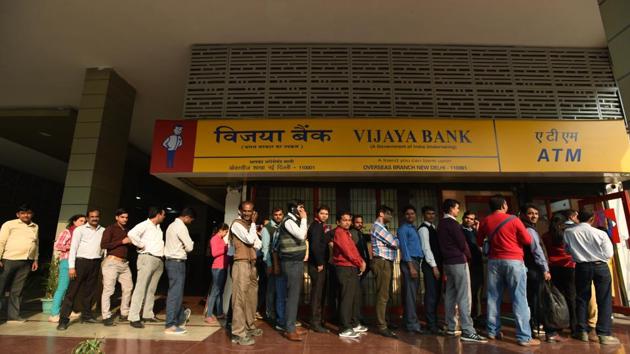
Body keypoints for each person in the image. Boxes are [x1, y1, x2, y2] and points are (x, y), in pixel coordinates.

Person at [477, 195, 539, 346]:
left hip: (493, 262)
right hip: (514, 261)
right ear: (504, 205)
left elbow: (479, 241)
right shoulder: (513, 219)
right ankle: (524, 337)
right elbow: (527, 240)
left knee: (493, 297)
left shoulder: (485, 221)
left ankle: (492, 331)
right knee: (519, 298)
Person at [564, 210, 620, 345]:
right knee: (604, 299)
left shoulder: (568, 232)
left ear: (578, 218)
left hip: (581, 267)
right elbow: (608, 253)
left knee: (582, 298)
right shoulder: (600, 233)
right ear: (592, 219)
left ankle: (582, 331)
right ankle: (604, 334)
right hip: (600, 266)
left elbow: (567, 250)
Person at [438, 199, 487, 343]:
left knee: (451, 295)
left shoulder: (440, 224)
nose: (458, 211)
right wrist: (469, 256)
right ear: (451, 209)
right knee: (465, 296)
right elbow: (462, 243)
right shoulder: (453, 224)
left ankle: (451, 326)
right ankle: (468, 330)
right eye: (457, 208)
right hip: (459, 262)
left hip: (447, 263)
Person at [57, 209, 104, 330]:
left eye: (96, 216)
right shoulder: (80, 230)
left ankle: (86, 316)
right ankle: (63, 320)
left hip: (95, 263)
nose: (94, 218)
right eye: (92, 216)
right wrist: (72, 267)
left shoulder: (103, 230)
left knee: (89, 292)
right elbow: (73, 248)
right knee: (71, 292)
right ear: (88, 218)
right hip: (80, 263)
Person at [230, 201, 263, 346]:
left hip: (252, 264)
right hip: (241, 263)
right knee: (240, 299)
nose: (247, 213)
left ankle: (249, 326)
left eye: (250, 211)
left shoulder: (250, 226)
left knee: (251, 298)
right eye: (245, 211)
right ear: (240, 211)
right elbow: (250, 239)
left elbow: (258, 244)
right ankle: (237, 333)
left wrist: (253, 231)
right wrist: (254, 226)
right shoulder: (236, 224)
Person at [127, 206, 166, 329]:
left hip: (158, 259)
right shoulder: (144, 224)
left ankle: (148, 314)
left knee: (151, 289)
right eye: (163, 214)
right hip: (147, 257)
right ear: (158, 214)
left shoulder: (158, 228)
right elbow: (131, 234)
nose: (164, 217)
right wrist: (141, 245)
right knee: (141, 287)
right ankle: (134, 316)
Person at [275, 201, 309, 341]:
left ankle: (291, 326)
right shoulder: (288, 221)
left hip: (296, 262)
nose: (303, 210)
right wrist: (305, 218)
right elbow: (302, 235)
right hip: (291, 262)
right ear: (294, 209)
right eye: (301, 207)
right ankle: (289, 329)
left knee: (294, 295)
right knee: (292, 296)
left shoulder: (295, 221)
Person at [0, 204, 40, 323]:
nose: (26, 215)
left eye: (28, 213)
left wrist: (35, 259)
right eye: (22, 213)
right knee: (1, 287)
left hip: (26, 261)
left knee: (18, 290)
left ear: (31, 214)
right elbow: (1, 241)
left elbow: (36, 244)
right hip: (9, 259)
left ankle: (13, 316)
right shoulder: (9, 224)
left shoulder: (35, 226)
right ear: (18, 215)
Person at [333, 211, 367, 338]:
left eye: (349, 220)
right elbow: (348, 251)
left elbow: (353, 250)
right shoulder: (339, 233)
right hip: (344, 268)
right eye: (344, 220)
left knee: (352, 297)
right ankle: (345, 327)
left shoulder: (347, 233)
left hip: (351, 267)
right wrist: (360, 262)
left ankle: (352, 324)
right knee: (347, 298)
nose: (347, 222)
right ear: (338, 222)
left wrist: (361, 261)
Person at [542, 213, 575, 342]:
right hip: (569, 266)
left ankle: (560, 323)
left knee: (558, 297)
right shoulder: (567, 233)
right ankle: (573, 325)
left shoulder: (546, 236)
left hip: (554, 268)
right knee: (571, 296)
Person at [519, 204, 551, 337]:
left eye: (536, 214)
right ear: (525, 215)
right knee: (536, 299)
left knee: (531, 298)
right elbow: (537, 251)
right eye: (531, 213)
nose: (534, 216)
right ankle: (537, 325)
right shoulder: (530, 230)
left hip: (526, 268)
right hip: (534, 269)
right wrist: (545, 269)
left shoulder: (526, 228)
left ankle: (533, 324)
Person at [164, 207, 196, 334]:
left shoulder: (171, 226)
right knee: (175, 294)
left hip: (170, 261)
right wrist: (190, 243)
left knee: (174, 292)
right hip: (177, 263)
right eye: (191, 220)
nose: (191, 222)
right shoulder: (181, 227)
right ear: (187, 217)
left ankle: (178, 318)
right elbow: (189, 247)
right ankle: (170, 324)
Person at [49, 214, 86, 323]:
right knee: (63, 287)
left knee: (72, 288)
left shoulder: (82, 233)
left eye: (84, 221)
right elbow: (57, 246)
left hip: (77, 262)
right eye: (81, 221)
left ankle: (69, 310)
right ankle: (54, 313)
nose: (83, 223)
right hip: (66, 261)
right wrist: (72, 247)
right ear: (74, 221)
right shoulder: (68, 232)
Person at [100, 209, 134, 326]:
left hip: (124, 263)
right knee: (109, 289)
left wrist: (130, 243)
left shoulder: (128, 230)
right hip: (112, 262)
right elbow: (104, 245)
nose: (125, 219)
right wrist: (121, 241)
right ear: (117, 217)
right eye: (122, 217)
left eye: (126, 217)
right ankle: (106, 316)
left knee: (128, 287)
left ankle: (124, 313)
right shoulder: (110, 229)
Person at [370, 205, 398, 338]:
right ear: (381, 214)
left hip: (385, 262)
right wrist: (395, 238)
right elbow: (394, 242)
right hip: (382, 262)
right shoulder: (378, 227)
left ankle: (385, 321)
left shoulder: (383, 228)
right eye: (389, 214)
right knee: (383, 295)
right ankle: (382, 325)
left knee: (386, 294)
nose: (391, 217)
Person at [397, 205, 424, 334]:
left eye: (412, 213)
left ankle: (409, 321)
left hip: (416, 261)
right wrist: (411, 266)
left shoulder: (414, 228)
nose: (410, 216)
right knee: (410, 295)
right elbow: (404, 248)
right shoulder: (403, 229)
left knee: (413, 294)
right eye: (407, 214)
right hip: (410, 262)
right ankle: (412, 324)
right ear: (404, 216)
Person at [418, 206, 442, 334]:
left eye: (433, 213)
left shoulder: (433, 228)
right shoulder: (423, 229)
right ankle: (431, 324)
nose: (431, 216)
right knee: (431, 294)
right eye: (428, 213)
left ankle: (434, 322)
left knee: (436, 294)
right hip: (430, 266)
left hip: (436, 265)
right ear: (423, 215)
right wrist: (434, 266)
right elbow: (426, 248)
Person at [307, 205, 331, 333]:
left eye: (326, 214)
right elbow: (315, 246)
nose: (324, 216)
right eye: (322, 213)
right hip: (317, 265)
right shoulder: (316, 226)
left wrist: (330, 234)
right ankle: (314, 323)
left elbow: (321, 241)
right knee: (316, 294)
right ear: (317, 213)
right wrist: (320, 263)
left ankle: (318, 320)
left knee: (319, 293)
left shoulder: (320, 226)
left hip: (319, 264)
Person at [261, 208, 282, 326]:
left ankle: (277, 313)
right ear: (272, 215)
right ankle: (270, 313)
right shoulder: (267, 228)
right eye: (276, 214)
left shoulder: (283, 226)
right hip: (271, 262)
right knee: (271, 289)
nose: (278, 216)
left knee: (279, 290)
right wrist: (268, 265)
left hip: (281, 263)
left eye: (280, 214)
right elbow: (265, 248)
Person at [205, 223, 229, 325]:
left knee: (220, 291)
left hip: (222, 267)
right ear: (221, 230)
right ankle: (209, 315)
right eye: (226, 231)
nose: (226, 233)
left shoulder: (220, 239)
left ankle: (219, 313)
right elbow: (214, 253)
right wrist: (226, 248)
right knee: (215, 291)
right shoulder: (214, 239)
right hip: (217, 268)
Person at [461, 211, 483, 324]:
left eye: (472, 219)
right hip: (468, 263)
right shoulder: (460, 230)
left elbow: (480, 244)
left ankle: (477, 315)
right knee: (468, 290)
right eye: (467, 218)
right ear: (463, 218)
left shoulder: (474, 231)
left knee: (478, 290)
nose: (469, 220)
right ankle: (468, 316)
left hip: (478, 263)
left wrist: (477, 229)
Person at [349, 214, 371, 324]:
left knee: (359, 293)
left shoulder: (360, 234)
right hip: (357, 267)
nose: (360, 224)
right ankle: (355, 317)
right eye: (357, 222)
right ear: (353, 223)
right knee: (355, 294)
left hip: (363, 267)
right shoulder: (352, 234)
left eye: (361, 222)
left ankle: (357, 316)